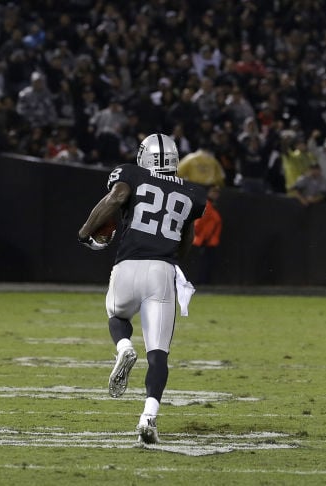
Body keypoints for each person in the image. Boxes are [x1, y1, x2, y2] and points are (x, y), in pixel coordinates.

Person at [77, 133, 207, 445]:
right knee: (159, 355)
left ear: (144, 157)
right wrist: (172, 258)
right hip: (162, 270)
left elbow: (116, 198)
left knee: (116, 314)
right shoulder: (193, 193)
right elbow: (185, 242)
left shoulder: (131, 174)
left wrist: (85, 233)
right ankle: (148, 417)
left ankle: (123, 347)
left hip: (128, 265)